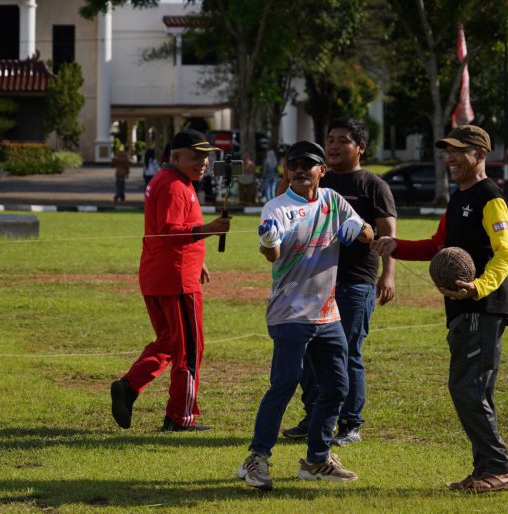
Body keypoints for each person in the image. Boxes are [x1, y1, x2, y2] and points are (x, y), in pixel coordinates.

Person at [372, 125, 508, 493]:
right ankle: (487, 469)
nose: (450, 157)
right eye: (447, 151)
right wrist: (396, 246)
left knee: (469, 389)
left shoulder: (490, 197)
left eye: (459, 151)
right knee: (470, 390)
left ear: (480, 155)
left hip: (482, 308)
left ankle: (498, 469)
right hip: (463, 310)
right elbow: (439, 245)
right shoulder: (458, 198)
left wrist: (479, 287)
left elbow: (507, 252)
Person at [236, 141, 374, 491]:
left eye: (308, 164)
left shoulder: (333, 201)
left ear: (321, 171)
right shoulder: (277, 207)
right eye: (293, 165)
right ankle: (256, 459)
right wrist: (268, 242)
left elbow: (369, 233)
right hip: (290, 313)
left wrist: (358, 231)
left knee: (337, 387)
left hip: (327, 314)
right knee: (283, 384)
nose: (299, 170)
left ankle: (316, 459)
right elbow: (272, 251)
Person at [279, 118, 397, 447]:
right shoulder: (314, 180)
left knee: (346, 354)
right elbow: (283, 209)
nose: (333, 145)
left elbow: (388, 234)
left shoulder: (373, 185)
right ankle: (315, 415)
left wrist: (388, 274)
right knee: (307, 354)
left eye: (343, 140)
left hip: (354, 283)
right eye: (330, 139)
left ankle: (349, 424)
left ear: (360, 148)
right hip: (310, 283)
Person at [110, 129, 231, 432]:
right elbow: (169, 231)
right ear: (175, 157)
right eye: (195, 156)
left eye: (205, 156)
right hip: (176, 281)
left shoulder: (172, 181)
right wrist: (210, 229)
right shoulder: (175, 185)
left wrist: (198, 259)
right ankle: (180, 417)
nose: (203, 162)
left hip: (160, 274)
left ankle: (128, 387)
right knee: (190, 351)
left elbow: (171, 229)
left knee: (168, 343)